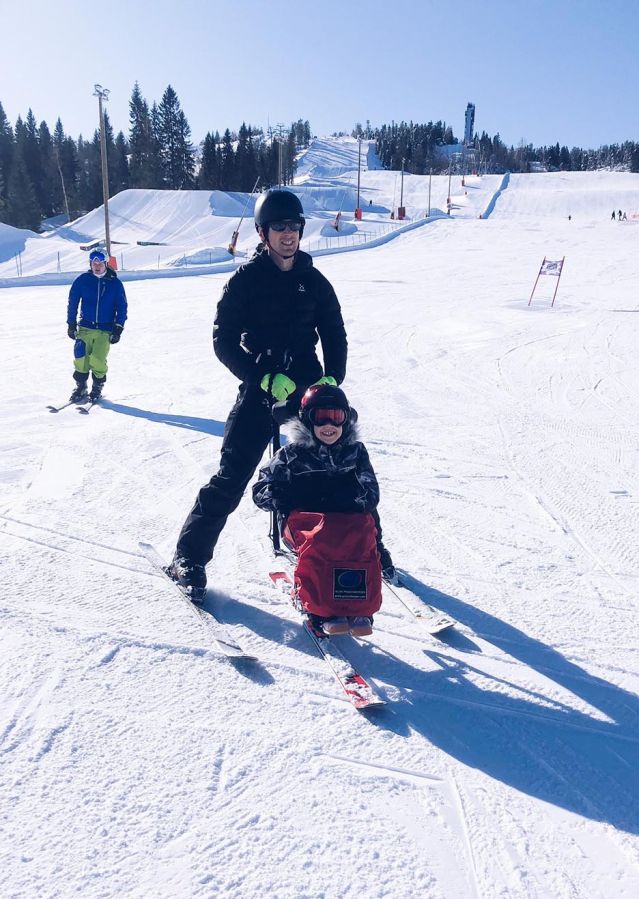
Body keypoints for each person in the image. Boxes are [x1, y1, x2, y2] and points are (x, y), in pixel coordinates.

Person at [166, 188, 394, 604]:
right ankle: (189, 557)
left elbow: (334, 332)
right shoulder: (245, 281)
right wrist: (261, 376)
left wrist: (331, 380)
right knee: (232, 475)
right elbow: (223, 340)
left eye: (294, 227)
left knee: (341, 463)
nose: (288, 235)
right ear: (262, 232)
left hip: (308, 386)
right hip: (262, 387)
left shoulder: (313, 280)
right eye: (279, 227)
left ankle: (371, 547)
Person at [253, 383, 381, 636]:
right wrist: (282, 495)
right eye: (320, 418)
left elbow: (372, 492)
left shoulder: (355, 452)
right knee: (321, 540)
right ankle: (318, 607)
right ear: (307, 420)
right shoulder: (291, 454)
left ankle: (360, 607)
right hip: (302, 523)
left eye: (336, 417)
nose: (329, 426)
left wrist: (353, 500)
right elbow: (260, 491)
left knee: (364, 535)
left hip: (344, 519)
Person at [66, 250, 127, 402]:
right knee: (81, 358)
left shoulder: (115, 283)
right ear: (90, 264)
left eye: (100, 263)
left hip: (105, 329)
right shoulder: (82, 280)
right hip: (85, 327)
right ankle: (81, 387)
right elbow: (72, 303)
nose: (97, 266)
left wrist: (118, 327)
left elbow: (122, 306)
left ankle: (97, 387)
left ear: (106, 264)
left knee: (98, 359)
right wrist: (71, 324)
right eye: (94, 263)